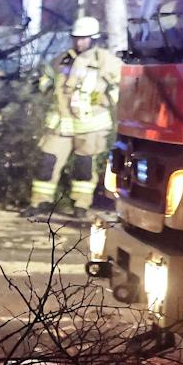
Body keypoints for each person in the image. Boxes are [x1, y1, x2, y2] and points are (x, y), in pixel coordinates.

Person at [27, 16, 120, 218]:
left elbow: (123, 86)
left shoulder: (106, 61)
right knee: (47, 162)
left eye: (84, 38)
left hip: (90, 125)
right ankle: (39, 203)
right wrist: (38, 85)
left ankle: (80, 205)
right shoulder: (62, 59)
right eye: (76, 38)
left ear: (94, 39)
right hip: (60, 124)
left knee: (83, 167)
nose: (79, 42)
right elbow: (47, 80)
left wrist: (107, 99)